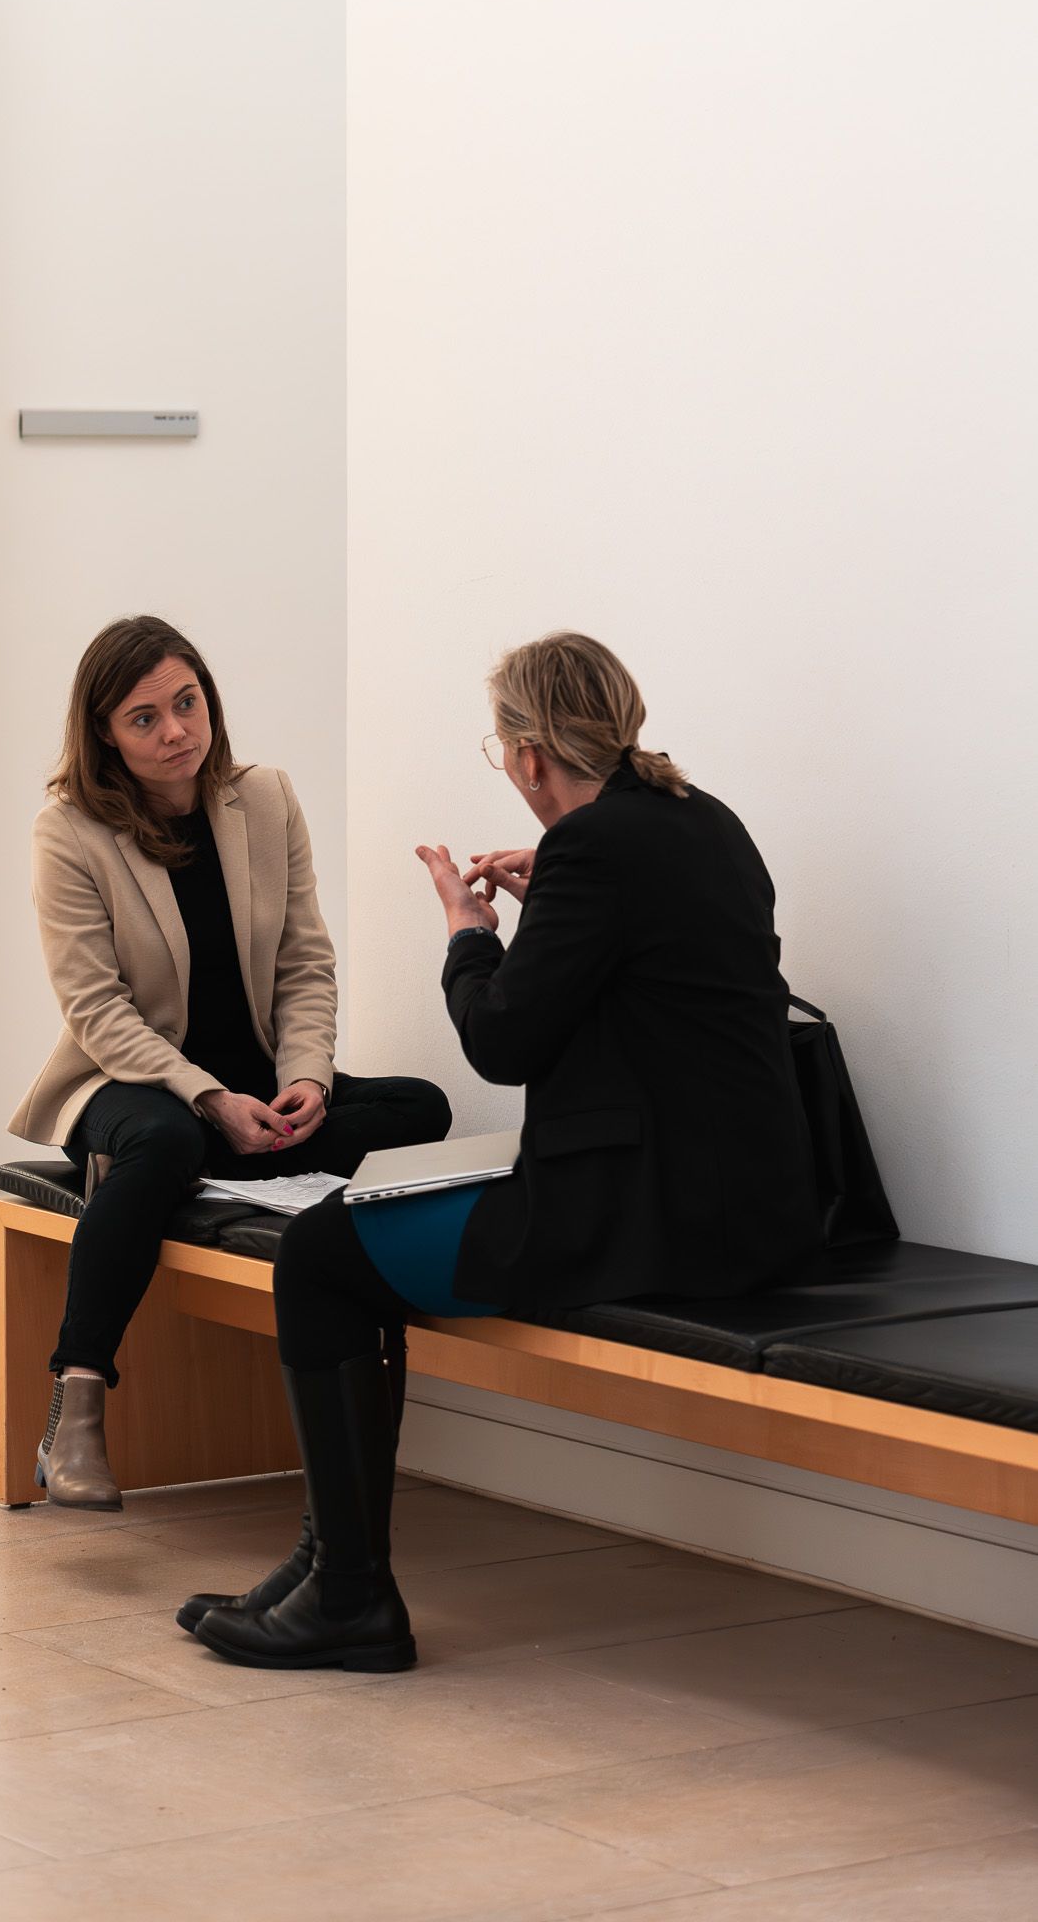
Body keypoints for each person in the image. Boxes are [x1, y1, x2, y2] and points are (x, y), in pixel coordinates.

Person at [183, 630, 822, 1673]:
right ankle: (321, 1565)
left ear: (528, 754)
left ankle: (346, 1592)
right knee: (356, 1236)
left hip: (643, 1214)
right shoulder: (705, 820)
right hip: (755, 1205)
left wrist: (467, 933)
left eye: (502, 749)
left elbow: (500, 1042)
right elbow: (653, 981)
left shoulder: (592, 849)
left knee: (320, 1255)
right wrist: (554, 905)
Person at [9, 615, 451, 1511]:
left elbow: (303, 962)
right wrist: (209, 1098)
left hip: (252, 1077)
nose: (175, 731)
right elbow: (96, 1010)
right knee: (166, 1140)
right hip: (129, 1082)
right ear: (104, 733)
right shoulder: (69, 832)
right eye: (144, 718)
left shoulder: (266, 798)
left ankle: (187, 1175)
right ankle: (77, 1408)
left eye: (187, 703)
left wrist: (306, 1080)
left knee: (421, 1108)